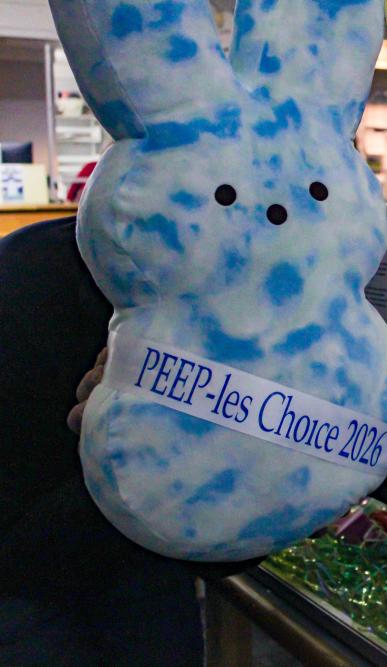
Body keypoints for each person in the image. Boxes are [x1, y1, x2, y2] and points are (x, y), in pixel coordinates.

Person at [0, 217, 256, 665]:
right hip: (36, 579)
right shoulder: (32, 280)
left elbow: (209, 539)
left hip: (142, 570)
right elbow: (22, 549)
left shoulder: (232, 275)